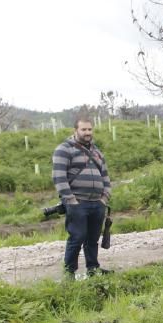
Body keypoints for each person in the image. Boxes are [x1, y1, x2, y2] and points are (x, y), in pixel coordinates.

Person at [52, 116, 111, 277]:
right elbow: (59, 177)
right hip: (77, 202)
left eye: (89, 129)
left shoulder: (97, 151)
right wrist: (71, 200)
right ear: (75, 130)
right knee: (77, 238)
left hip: (97, 203)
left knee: (93, 239)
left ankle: (93, 268)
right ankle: (69, 272)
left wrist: (104, 198)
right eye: (83, 129)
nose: (87, 132)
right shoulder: (64, 149)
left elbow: (105, 176)